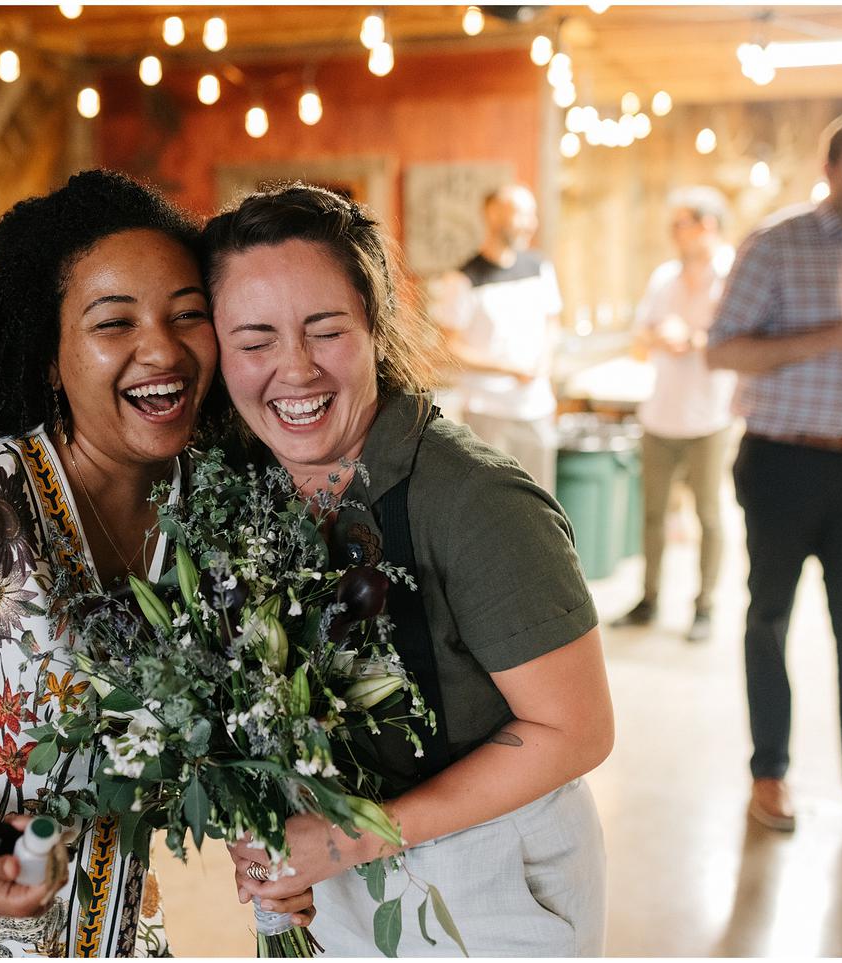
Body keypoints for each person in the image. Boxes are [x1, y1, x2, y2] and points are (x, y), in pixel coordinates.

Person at [0, 170, 315, 956]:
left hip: (112, 923)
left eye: (187, 314)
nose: (162, 348)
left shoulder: (221, 509)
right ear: (49, 356)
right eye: (113, 322)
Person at [204, 185, 614, 956]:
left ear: (376, 325)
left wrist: (352, 835)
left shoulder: (478, 500)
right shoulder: (234, 493)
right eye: (254, 342)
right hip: (331, 882)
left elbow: (577, 729)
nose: (294, 368)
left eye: (326, 330)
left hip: (490, 878)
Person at [707, 109, 842, 858]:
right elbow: (722, 351)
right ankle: (769, 774)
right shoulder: (776, 243)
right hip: (781, 461)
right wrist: (839, 337)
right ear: (829, 170)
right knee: (769, 617)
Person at [613, 187, 738, 642]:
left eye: (681, 223)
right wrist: (657, 337)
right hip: (660, 413)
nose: (674, 233)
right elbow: (639, 339)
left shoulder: (732, 277)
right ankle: (649, 599)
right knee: (653, 515)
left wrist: (695, 339)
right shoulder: (664, 278)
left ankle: (704, 606)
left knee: (709, 515)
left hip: (710, 417)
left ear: (708, 225)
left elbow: (740, 344)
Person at [430, 183, 564, 492]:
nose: (530, 223)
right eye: (521, 214)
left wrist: (545, 359)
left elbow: (553, 323)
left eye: (532, 215)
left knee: (542, 497)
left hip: (537, 407)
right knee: (493, 497)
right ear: (492, 214)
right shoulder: (462, 279)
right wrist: (509, 369)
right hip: (487, 411)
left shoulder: (540, 267)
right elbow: (449, 348)